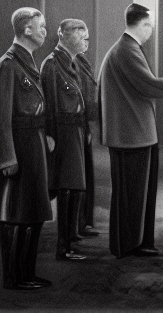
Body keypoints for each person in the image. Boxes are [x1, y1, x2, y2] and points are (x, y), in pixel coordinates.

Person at [98, 3, 163, 259]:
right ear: (144, 25)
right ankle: (129, 245)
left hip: (132, 134)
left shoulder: (123, 48)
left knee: (135, 194)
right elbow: (149, 86)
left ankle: (133, 243)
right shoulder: (128, 50)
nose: (151, 31)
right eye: (150, 25)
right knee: (133, 195)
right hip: (133, 135)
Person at [0, 7, 53, 289]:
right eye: (41, 26)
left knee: (34, 211)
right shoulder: (9, 65)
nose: (44, 31)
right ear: (26, 29)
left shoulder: (26, 62)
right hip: (19, 148)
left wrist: (45, 135)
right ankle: (13, 277)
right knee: (14, 213)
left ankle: (26, 273)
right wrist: (6, 157)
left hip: (33, 144)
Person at [41, 19, 89, 261]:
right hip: (62, 132)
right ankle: (64, 247)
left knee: (75, 187)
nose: (86, 40)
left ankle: (69, 240)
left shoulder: (71, 63)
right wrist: (49, 134)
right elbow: (48, 102)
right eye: (81, 36)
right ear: (64, 35)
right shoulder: (51, 64)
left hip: (74, 129)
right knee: (67, 187)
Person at [75, 50, 100, 238]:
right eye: (82, 38)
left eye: (87, 40)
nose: (85, 43)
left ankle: (84, 222)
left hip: (84, 124)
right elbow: (79, 98)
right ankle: (78, 224)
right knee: (78, 177)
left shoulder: (83, 61)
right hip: (78, 125)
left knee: (86, 176)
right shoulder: (73, 62)